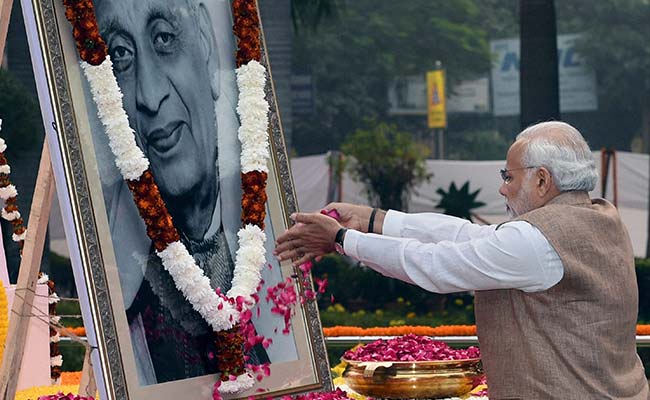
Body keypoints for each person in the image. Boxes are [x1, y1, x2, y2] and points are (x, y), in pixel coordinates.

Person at [275, 121, 649, 398]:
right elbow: (465, 235)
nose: (502, 188)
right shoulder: (599, 217)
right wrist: (371, 219)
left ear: (542, 181)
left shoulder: (536, 239)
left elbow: (437, 265)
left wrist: (341, 239)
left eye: (509, 176)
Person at [90, 0, 295, 385]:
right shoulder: (126, 297)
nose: (149, 96)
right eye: (120, 55)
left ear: (205, 42)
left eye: (164, 38)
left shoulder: (272, 248)